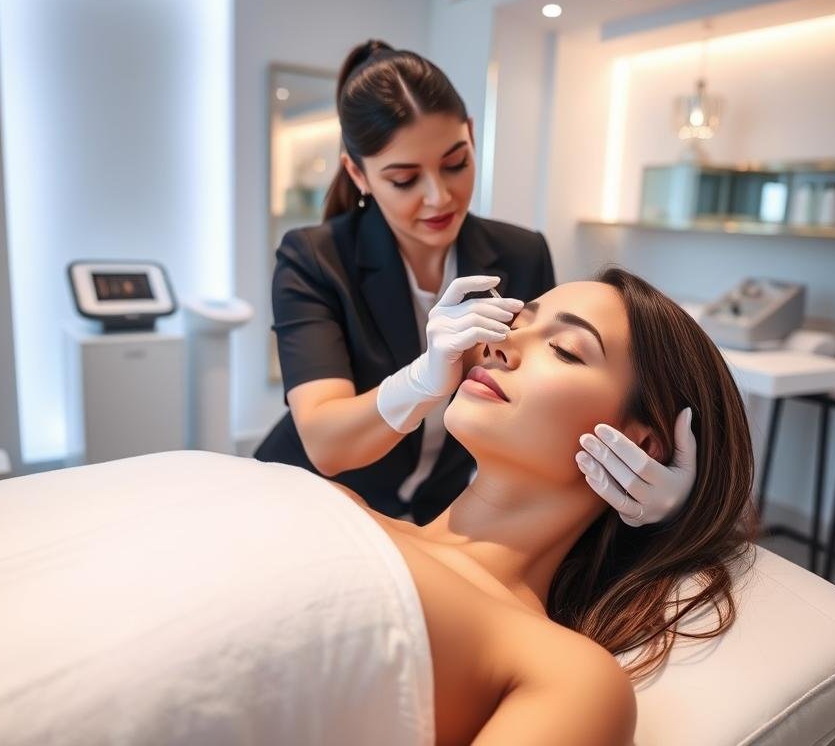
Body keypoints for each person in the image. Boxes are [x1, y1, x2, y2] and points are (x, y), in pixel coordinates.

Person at [254, 39, 697, 527]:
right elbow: (325, 442)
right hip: (311, 502)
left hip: (431, 513)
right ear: (357, 173)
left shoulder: (521, 253)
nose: (439, 197)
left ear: (470, 134)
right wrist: (423, 379)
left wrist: (648, 496)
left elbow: (543, 415)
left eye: (455, 163)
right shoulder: (315, 258)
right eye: (404, 180)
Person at [325, 268, 759, 743]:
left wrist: (678, 524)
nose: (495, 345)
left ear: (644, 447)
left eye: (565, 349)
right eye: (513, 323)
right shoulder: (341, 505)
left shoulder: (569, 678)